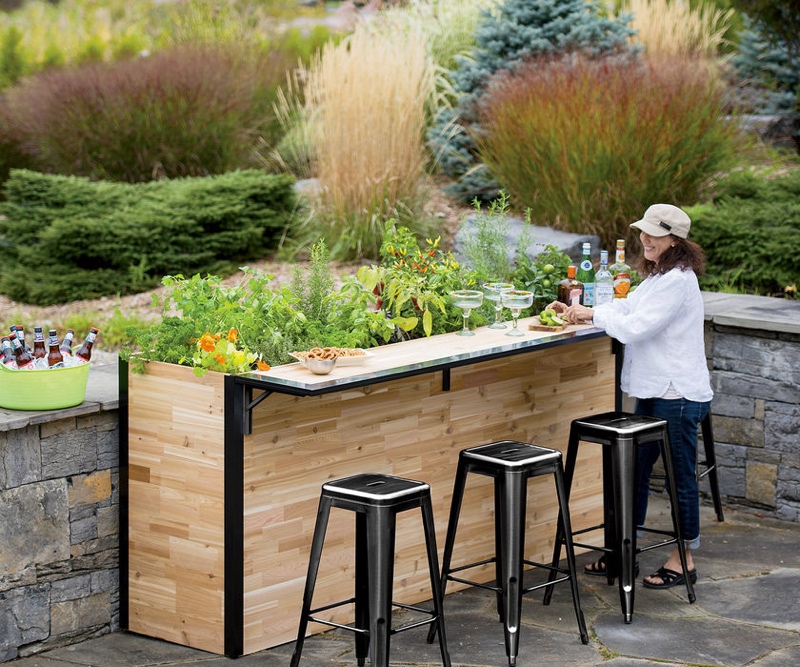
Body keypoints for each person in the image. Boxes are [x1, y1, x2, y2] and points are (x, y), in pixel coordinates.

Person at [548, 203, 713, 589]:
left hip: (678, 393)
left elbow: (637, 326)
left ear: (675, 239)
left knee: (679, 479)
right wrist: (584, 311)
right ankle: (623, 552)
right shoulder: (661, 275)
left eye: (654, 233)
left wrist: (594, 316)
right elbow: (629, 305)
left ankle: (684, 558)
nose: (645, 239)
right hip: (654, 388)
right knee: (635, 472)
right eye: (643, 232)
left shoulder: (677, 280)